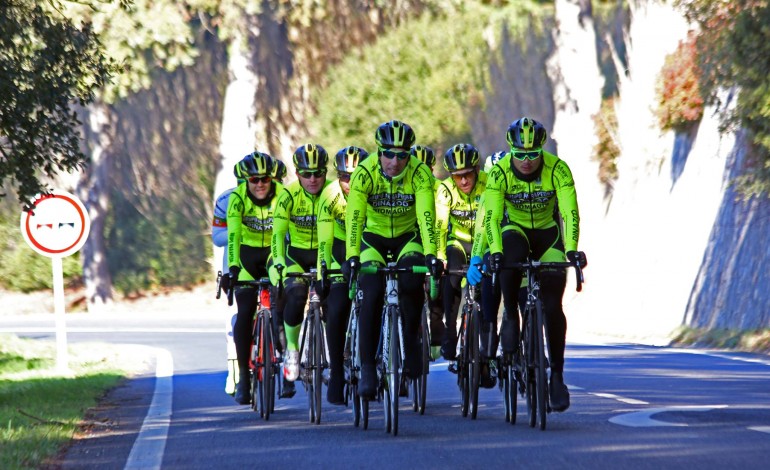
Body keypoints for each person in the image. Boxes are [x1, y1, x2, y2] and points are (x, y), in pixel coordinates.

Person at [468, 117, 584, 412]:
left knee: (554, 304)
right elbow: (491, 219)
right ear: (511, 151)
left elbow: (570, 214)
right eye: (520, 155)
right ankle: (509, 316)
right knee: (507, 256)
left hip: (548, 234)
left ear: (541, 150)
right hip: (515, 231)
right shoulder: (500, 174)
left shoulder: (558, 169)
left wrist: (571, 250)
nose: (527, 161)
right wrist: (493, 252)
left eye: (533, 154)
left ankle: (556, 376)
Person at [343, 120, 442, 399]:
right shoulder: (364, 172)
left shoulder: (420, 173)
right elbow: (355, 219)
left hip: (407, 238)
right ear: (379, 151)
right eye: (388, 153)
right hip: (372, 238)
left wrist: (432, 254)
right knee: (371, 294)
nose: (395, 162)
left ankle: (410, 349)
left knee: (411, 285)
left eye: (402, 155)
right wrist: (352, 256)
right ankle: (367, 369)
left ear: (410, 154)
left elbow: (426, 217)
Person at [270, 143, 330, 394]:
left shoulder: (333, 192)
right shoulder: (288, 195)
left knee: (335, 302)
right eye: (307, 173)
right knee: (295, 297)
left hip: (325, 254)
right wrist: (279, 261)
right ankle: (292, 350)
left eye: (318, 173)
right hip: (296, 255)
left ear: (326, 172)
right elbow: (278, 233)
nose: (313, 179)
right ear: (297, 173)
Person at [224, 152, 280, 405]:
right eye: (254, 179)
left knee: (282, 301)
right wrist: (233, 268)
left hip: (272, 255)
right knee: (245, 311)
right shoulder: (236, 199)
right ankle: (244, 380)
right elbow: (233, 236)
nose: (260, 184)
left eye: (265, 179)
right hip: (246, 257)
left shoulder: (282, 196)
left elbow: (282, 234)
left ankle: (282, 354)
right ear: (246, 180)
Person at [434, 144, 491, 383]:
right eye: (457, 176)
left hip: (485, 242)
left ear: (477, 169)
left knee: (488, 287)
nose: (464, 180)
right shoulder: (446, 190)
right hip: (457, 242)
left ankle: (487, 355)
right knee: (453, 275)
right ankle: (449, 330)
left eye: (468, 173)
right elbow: (439, 225)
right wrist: (439, 256)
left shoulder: (489, 182)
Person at [317, 146, 369, 405]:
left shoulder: (375, 189)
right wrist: (322, 271)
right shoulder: (330, 194)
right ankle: (337, 371)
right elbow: (324, 240)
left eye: (356, 175)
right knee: (337, 309)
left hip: (368, 247)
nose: (350, 183)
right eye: (344, 176)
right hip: (339, 249)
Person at [211, 160, 247, 396]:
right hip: (234, 262)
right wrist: (243, 230)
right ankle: (235, 370)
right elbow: (217, 237)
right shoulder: (226, 200)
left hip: (267, 259)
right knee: (234, 317)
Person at [410, 144, 445, 356]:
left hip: (434, 237)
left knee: (437, 287)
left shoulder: (440, 188)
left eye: (427, 169)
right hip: (412, 239)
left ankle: (437, 335)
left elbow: (442, 223)